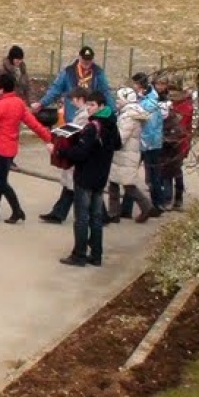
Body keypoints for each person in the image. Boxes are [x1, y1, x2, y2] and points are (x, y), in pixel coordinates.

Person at [0, 72, 54, 223]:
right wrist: (48, 137)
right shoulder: (18, 102)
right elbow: (33, 124)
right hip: (9, 147)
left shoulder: (0, 105)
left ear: (1, 89)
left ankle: (17, 210)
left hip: (1, 147)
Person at [55, 90, 121, 267]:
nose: (90, 108)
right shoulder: (111, 123)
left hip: (86, 176)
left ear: (101, 106)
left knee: (82, 218)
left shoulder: (93, 127)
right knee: (96, 217)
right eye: (89, 104)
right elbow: (117, 144)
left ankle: (79, 254)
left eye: (93, 105)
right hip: (101, 176)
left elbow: (80, 153)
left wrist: (62, 151)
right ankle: (96, 254)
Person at [38, 89, 92, 224]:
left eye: (73, 99)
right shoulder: (82, 113)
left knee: (75, 187)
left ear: (80, 99)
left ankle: (97, 215)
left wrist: (60, 145)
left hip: (76, 154)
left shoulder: (83, 115)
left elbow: (76, 134)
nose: (72, 102)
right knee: (70, 186)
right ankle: (58, 213)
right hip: (76, 154)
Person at [107, 86, 156, 223]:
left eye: (119, 99)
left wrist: (108, 141)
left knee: (126, 184)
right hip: (126, 154)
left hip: (124, 154)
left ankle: (144, 206)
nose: (116, 101)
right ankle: (115, 212)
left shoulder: (128, 117)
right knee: (115, 183)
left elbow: (121, 137)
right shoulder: (130, 114)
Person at [35, 45, 114, 123]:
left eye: (89, 60)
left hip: (91, 116)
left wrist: (113, 111)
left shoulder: (98, 73)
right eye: (84, 59)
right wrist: (42, 103)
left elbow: (105, 92)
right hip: (72, 116)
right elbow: (55, 89)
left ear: (92, 59)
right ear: (79, 57)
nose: (86, 62)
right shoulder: (68, 72)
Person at [135, 73, 174, 213]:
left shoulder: (151, 101)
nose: (160, 87)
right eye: (158, 84)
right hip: (150, 141)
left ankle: (157, 203)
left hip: (150, 142)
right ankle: (157, 203)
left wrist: (145, 142)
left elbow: (151, 125)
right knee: (149, 175)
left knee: (153, 175)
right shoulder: (149, 99)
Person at [161, 84, 195, 211]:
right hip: (169, 142)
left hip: (179, 143)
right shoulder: (171, 106)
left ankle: (176, 198)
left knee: (175, 171)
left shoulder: (186, 108)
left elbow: (182, 126)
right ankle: (169, 198)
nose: (172, 97)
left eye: (175, 95)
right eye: (170, 95)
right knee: (168, 170)